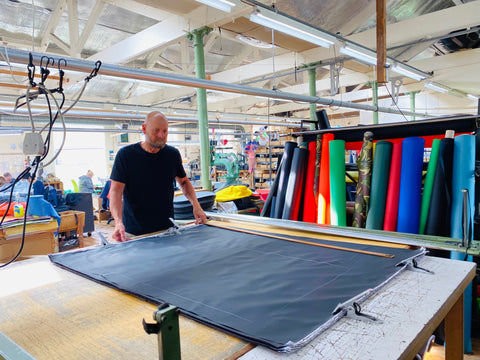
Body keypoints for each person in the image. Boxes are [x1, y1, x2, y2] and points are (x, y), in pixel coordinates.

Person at [109, 111, 207, 242]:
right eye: (156, 131)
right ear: (144, 129)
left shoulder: (172, 154)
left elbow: (183, 182)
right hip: (134, 233)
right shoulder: (126, 155)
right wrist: (118, 222)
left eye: (165, 131)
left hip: (167, 230)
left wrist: (196, 205)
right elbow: (115, 191)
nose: (161, 136)